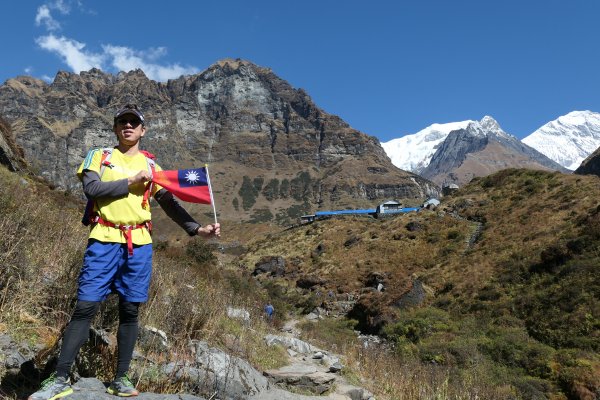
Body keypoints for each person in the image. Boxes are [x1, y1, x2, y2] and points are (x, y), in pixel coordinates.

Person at [28, 104, 220, 400]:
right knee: (86, 307)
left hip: (139, 244)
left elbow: (170, 203)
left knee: (130, 311)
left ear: (143, 130)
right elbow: (92, 189)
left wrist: (196, 229)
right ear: (116, 128)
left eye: (134, 122)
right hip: (104, 239)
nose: (128, 125)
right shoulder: (100, 156)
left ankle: (120, 379)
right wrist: (130, 181)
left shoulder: (153, 167)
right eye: (122, 122)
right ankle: (60, 378)